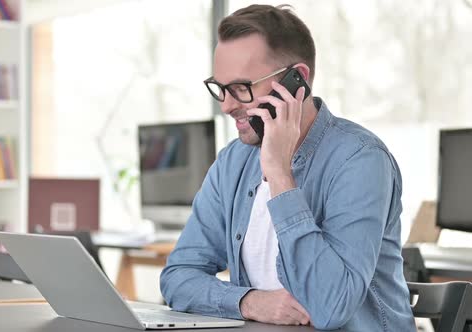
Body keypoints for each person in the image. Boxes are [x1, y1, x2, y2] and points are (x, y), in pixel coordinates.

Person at [159, 4, 415, 331]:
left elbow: (331, 307)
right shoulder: (233, 162)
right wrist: (249, 302)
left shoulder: (360, 160)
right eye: (220, 88)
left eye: (241, 88)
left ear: (297, 81)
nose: (226, 105)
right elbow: (178, 276)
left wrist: (280, 175)